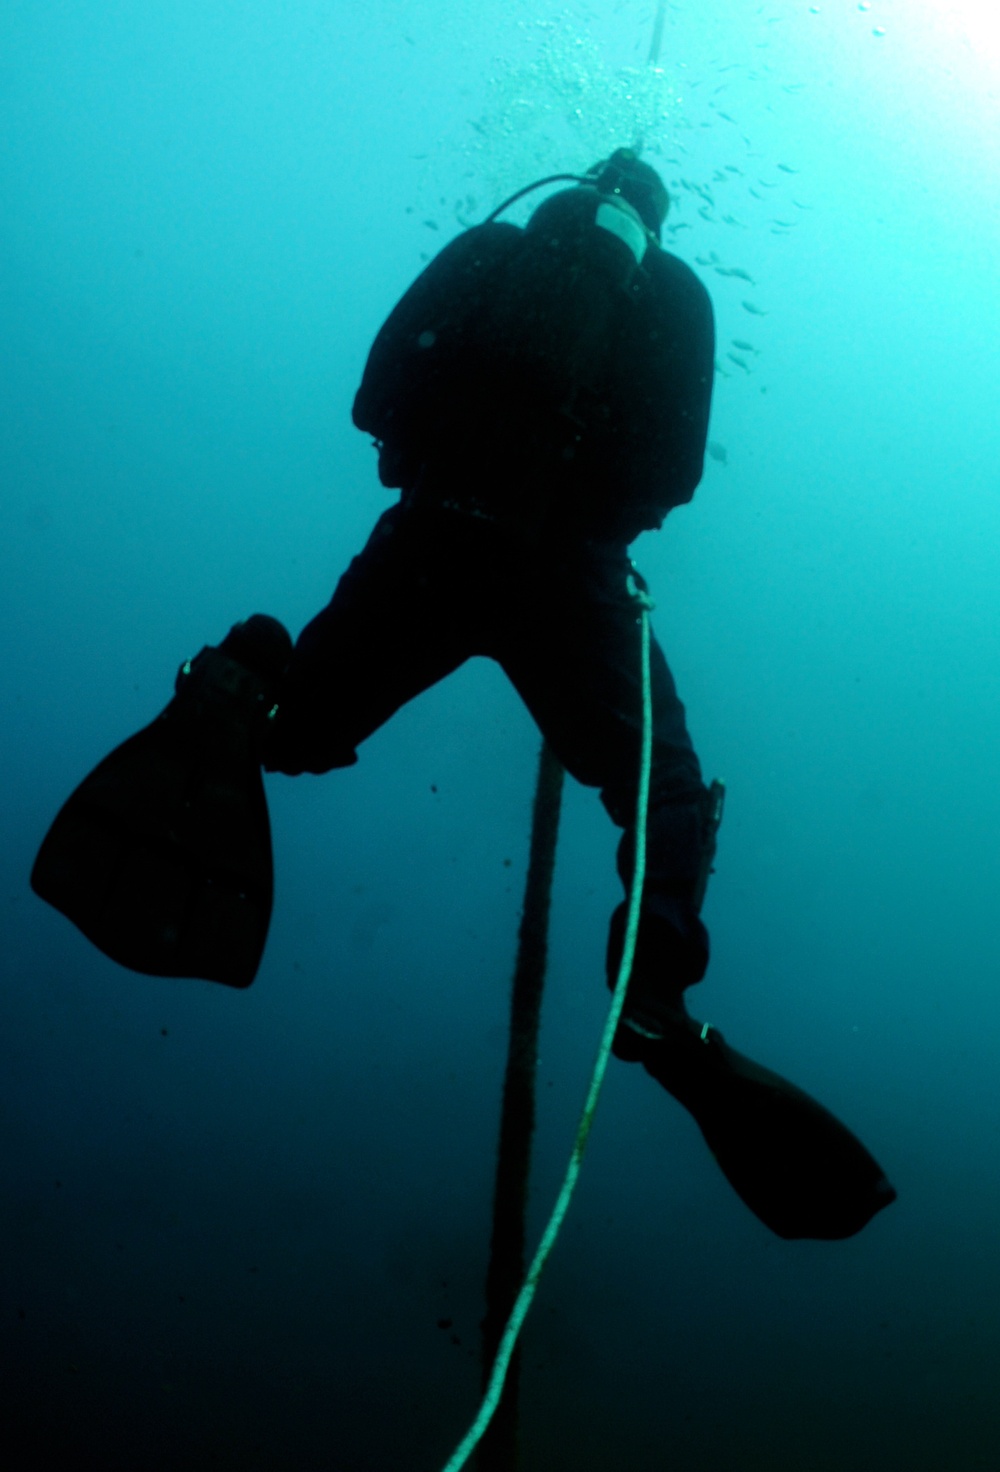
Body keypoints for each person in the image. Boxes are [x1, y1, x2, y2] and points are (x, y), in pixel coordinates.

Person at [256, 149, 894, 1240]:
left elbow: (373, 396)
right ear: (653, 219)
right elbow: (675, 475)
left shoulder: (488, 250)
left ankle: (236, 685)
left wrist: (451, 471)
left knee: (295, 729)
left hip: (428, 548)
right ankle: (651, 996)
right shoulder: (678, 293)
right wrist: (585, 522)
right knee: (666, 805)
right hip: (573, 585)